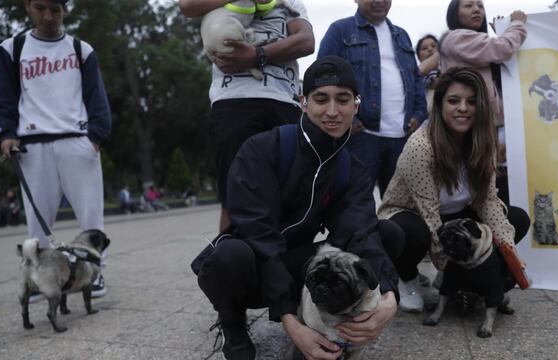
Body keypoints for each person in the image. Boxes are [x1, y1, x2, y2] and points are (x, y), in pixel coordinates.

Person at [191, 56, 403, 360]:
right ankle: (232, 321)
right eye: (321, 99)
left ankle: (342, 315)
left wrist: (389, 296)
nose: (332, 111)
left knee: (387, 233)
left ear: (356, 105)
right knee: (229, 255)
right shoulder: (261, 149)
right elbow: (259, 235)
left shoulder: (351, 170)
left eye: (343, 100)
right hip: (253, 266)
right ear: (303, 102)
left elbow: (361, 233)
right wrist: (291, 324)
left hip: (300, 265)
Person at [378, 67, 530, 313]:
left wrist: (508, 254)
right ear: (439, 105)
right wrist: (451, 270)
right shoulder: (421, 146)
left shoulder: (484, 141)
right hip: (412, 213)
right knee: (414, 233)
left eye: (471, 102)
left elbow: (488, 200)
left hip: (457, 215)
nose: (463, 108)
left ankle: (466, 283)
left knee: (517, 219)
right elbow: (429, 214)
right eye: (453, 100)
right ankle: (406, 278)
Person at [0, 0, 111, 298]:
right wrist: (7, 133)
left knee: (90, 215)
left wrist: (95, 136)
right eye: (40, 7)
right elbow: (4, 96)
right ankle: (38, 277)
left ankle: (93, 274)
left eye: (55, 9)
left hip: (76, 139)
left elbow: (97, 96)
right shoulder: (13, 48)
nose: (47, 16)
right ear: (28, 7)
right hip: (32, 144)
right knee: (37, 218)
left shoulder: (81, 49)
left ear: (65, 10)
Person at [179, 0, 315, 231]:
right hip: (233, 102)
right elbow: (187, 6)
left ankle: (280, 265)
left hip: (284, 103)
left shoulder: (290, 2)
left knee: (288, 198)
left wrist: (257, 55)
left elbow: (306, 42)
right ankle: (229, 263)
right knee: (233, 202)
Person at [317, 0, 427, 198]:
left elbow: (416, 79)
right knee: (353, 205)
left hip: (402, 138)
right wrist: (348, 118)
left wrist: (419, 114)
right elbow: (322, 75)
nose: (378, 1)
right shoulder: (340, 30)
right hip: (361, 136)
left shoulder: (401, 35)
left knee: (400, 209)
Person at [439, 0, 527, 204]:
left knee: (489, 186)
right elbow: (503, 48)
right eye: (468, 6)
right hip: (468, 124)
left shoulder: (474, 40)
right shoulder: (456, 38)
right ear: (454, 13)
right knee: (481, 189)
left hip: (485, 126)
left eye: (480, 5)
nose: (476, 9)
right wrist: (516, 24)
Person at [415, 34, 440, 108]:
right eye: (424, 48)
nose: (430, 49)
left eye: (433, 46)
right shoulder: (416, 79)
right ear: (419, 57)